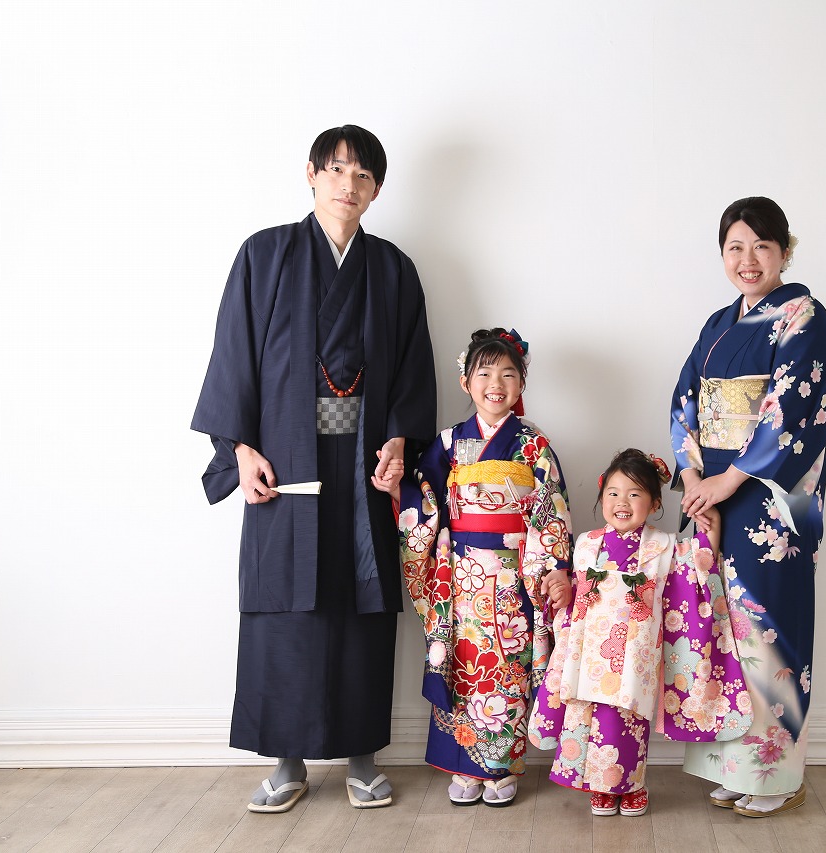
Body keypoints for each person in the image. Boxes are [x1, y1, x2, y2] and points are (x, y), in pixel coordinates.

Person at [190, 125, 436, 813]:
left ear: (376, 189)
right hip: (285, 457)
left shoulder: (392, 269)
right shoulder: (264, 255)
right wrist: (239, 448)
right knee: (285, 608)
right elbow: (234, 353)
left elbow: (412, 366)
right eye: (336, 170)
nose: (347, 185)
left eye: (363, 175)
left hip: (363, 462)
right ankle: (288, 762)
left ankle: (361, 758)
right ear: (311, 173)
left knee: (361, 603)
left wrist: (398, 441)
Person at [670, 196, 826, 818]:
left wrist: (727, 481)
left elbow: (797, 411)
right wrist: (693, 474)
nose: (748, 261)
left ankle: (776, 775)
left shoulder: (805, 317)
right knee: (721, 627)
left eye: (762, 247)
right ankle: (732, 766)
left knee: (771, 626)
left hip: (774, 501)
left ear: (785, 251)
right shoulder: (719, 324)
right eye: (735, 248)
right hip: (715, 490)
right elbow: (686, 399)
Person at [378, 328, 571, 808]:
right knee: (462, 664)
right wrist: (399, 491)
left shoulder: (533, 445)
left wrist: (552, 566)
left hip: (513, 576)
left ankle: (500, 768)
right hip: (461, 576)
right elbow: (425, 497)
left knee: (506, 664)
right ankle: (464, 767)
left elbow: (551, 509)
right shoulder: (447, 442)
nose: (496, 384)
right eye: (484, 374)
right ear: (465, 382)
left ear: (521, 383)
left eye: (508, 374)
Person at [526, 449, 752, 817]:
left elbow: (693, 576)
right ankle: (598, 786)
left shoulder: (663, 546)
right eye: (613, 493)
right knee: (586, 713)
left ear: (655, 503)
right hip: (589, 649)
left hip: (635, 652)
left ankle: (630, 784)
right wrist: (562, 590)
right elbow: (574, 594)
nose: (622, 502)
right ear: (601, 497)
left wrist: (710, 534)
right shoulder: (586, 544)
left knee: (626, 717)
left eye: (634, 494)